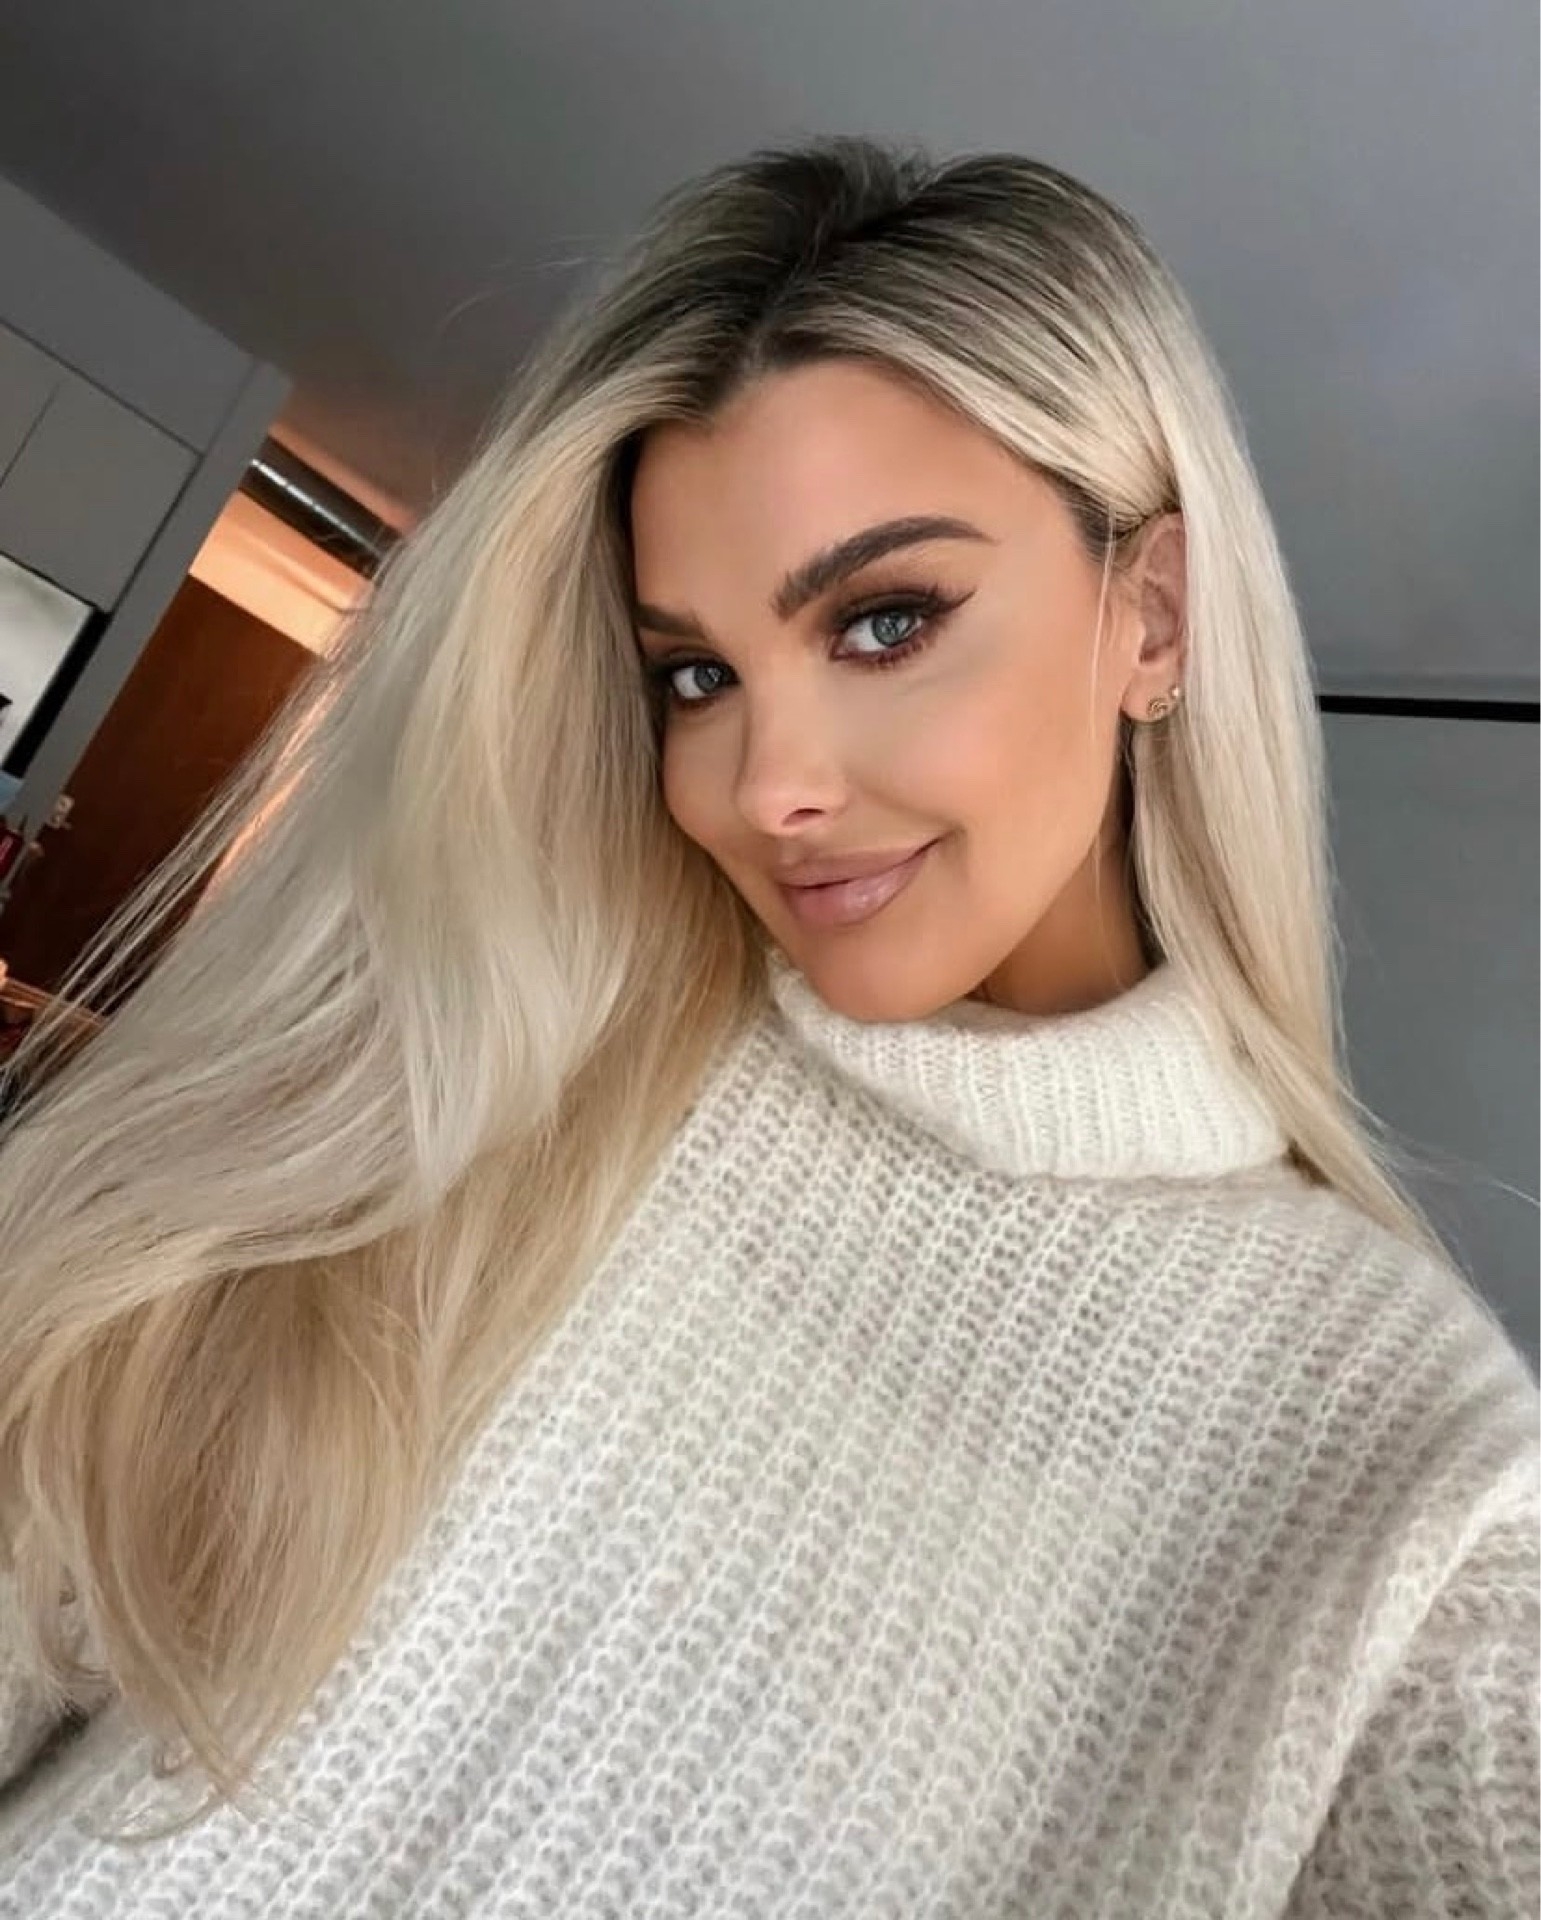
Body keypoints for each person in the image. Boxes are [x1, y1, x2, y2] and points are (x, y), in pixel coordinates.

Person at [0, 136, 1534, 1918]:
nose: (763, 784)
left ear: (1153, 617)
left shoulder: (1405, 1476)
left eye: (884, 621)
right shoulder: (501, 1062)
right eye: (696, 674)